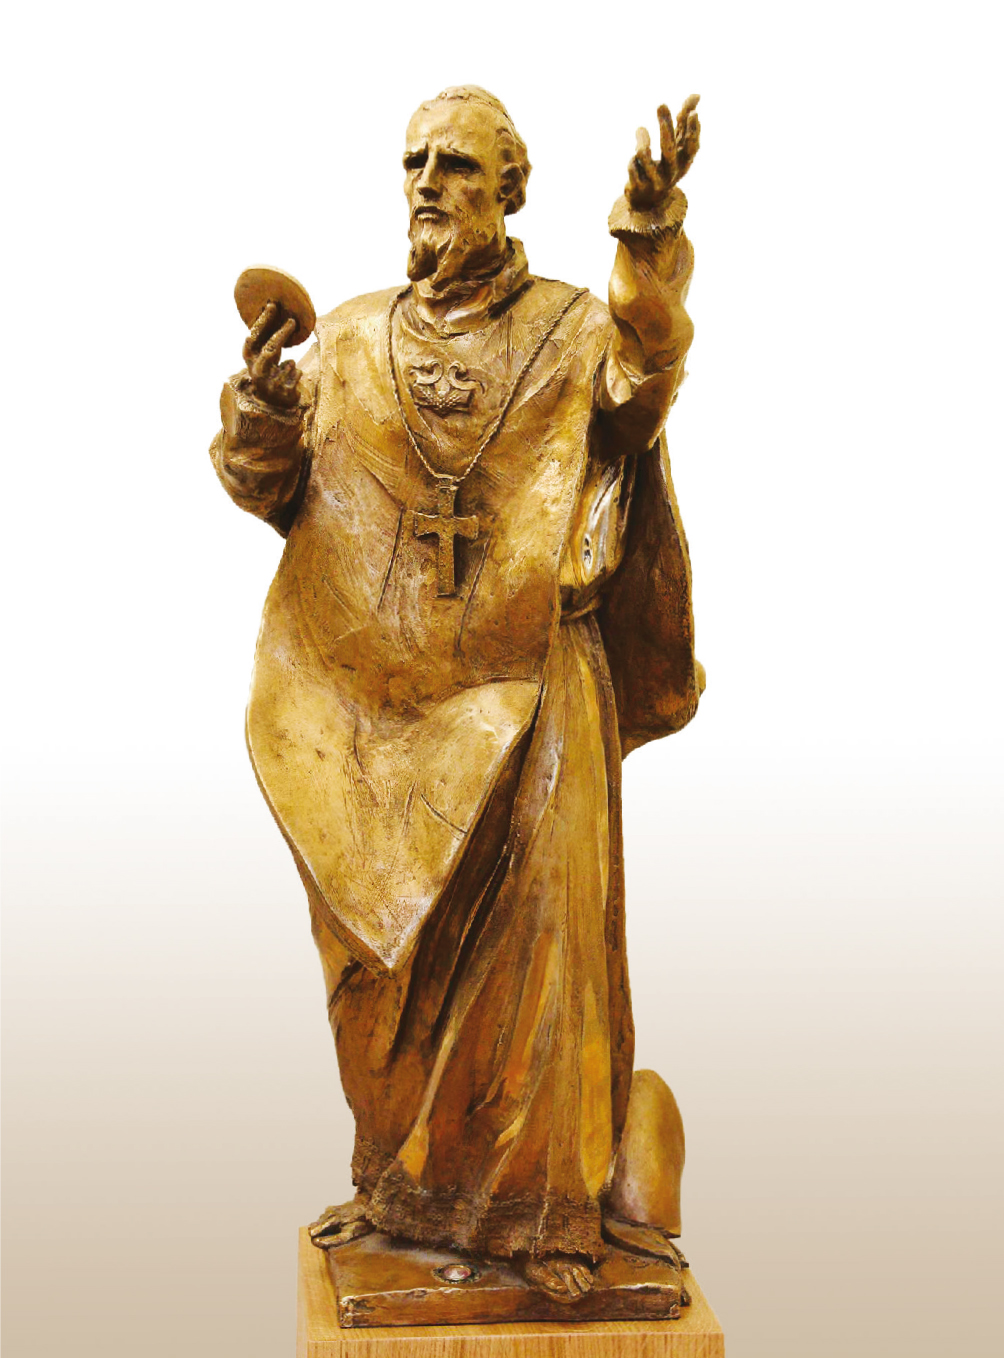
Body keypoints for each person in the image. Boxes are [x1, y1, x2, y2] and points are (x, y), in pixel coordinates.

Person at [210, 85, 704, 1303]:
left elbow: (644, 376)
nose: (428, 183)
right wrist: (262, 410)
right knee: (387, 964)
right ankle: (404, 1190)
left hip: (540, 683)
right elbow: (272, 485)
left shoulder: (571, 330)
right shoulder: (352, 339)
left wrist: (647, 239)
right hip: (381, 705)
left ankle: (547, 1211)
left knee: (543, 953)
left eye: (458, 166)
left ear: (509, 190)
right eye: (414, 163)